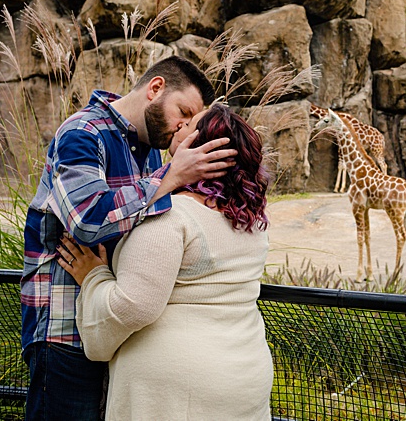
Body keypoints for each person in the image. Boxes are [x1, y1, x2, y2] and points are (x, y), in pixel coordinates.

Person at [20, 56, 236, 420]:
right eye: (183, 111)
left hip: (111, 328)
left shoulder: (151, 153)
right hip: (64, 330)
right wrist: (169, 178)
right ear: (155, 89)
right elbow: (87, 221)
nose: (184, 126)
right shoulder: (82, 133)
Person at [56, 103, 274, 420]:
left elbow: (133, 306)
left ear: (204, 149)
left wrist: (94, 277)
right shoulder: (251, 222)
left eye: (190, 125)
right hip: (244, 375)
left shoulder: (170, 215)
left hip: (178, 393)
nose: (180, 125)